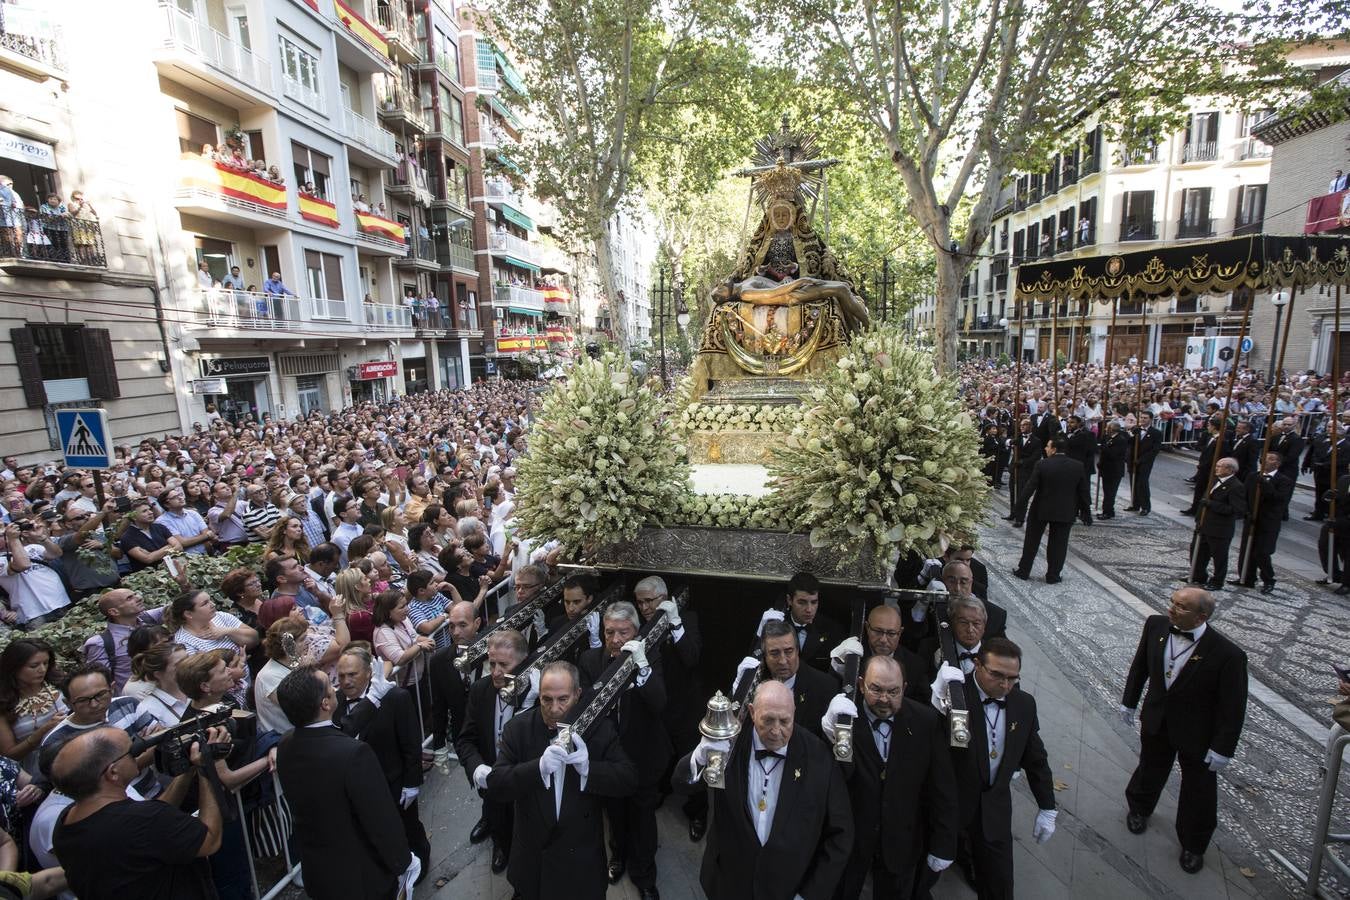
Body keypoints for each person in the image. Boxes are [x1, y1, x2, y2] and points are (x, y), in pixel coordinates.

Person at [675, 679, 854, 899]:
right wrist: (701, 755)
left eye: (785, 721)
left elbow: (841, 834)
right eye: (768, 720)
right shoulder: (730, 744)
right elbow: (681, 785)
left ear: (794, 712)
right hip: (728, 883)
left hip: (788, 889)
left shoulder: (818, 757)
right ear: (752, 711)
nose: (776, 731)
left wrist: (810, 895)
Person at [1119, 588, 1248, 874]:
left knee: (1198, 788)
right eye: (1172, 602)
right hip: (1157, 719)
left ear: (1201, 616)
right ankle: (1139, 808)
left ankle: (1194, 843)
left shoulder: (1229, 655)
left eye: (1181, 607)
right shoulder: (1155, 626)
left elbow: (1233, 707)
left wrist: (1223, 748)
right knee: (1150, 767)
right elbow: (1139, 666)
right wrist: (1129, 702)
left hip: (1197, 733)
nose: (1172, 609)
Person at [486, 660, 637, 900]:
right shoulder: (519, 729)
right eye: (546, 699)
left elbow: (628, 779)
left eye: (562, 699)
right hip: (533, 862)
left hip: (581, 864)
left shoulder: (600, 730)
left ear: (578, 694)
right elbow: (496, 784)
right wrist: (538, 768)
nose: (554, 708)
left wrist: (589, 769)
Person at [275, 665, 418, 899]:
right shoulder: (354, 754)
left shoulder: (286, 744)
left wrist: (372, 699)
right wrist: (404, 861)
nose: (336, 687)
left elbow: (335, 732)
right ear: (325, 704)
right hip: (363, 876)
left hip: (319, 874)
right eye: (330, 687)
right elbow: (380, 818)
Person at [823, 654, 958, 900]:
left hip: (902, 842)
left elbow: (942, 788)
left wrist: (943, 844)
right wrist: (829, 734)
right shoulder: (844, 721)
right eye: (876, 689)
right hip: (852, 842)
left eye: (893, 691)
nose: (884, 699)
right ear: (862, 685)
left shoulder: (925, 722)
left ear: (904, 688)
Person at [930, 637, 1057, 898]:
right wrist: (936, 707)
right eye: (997, 675)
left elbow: (1036, 758)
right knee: (919, 879)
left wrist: (1047, 806)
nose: (1005, 685)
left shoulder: (1024, 704)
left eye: (1012, 678)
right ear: (977, 664)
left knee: (999, 886)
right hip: (949, 808)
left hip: (994, 809)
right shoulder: (954, 696)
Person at [50, 725, 224, 899]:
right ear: (113, 772)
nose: (140, 753)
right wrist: (206, 767)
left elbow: (154, 827)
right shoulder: (144, 820)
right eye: (131, 752)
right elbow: (210, 839)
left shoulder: (67, 821)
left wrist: (186, 770)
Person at [577, 602, 669, 897]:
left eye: (623, 632)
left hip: (643, 754)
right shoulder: (590, 661)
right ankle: (617, 857)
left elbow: (659, 703)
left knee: (643, 818)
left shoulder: (650, 656)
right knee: (614, 814)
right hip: (607, 757)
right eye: (609, 632)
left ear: (636, 632)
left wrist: (642, 672)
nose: (616, 639)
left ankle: (644, 875)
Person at [333, 646, 430, 879]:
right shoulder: (334, 702)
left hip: (393, 783)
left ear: (368, 673)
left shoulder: (395, 697)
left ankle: (420, 862)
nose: (346, 681)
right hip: (359, 789)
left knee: (408, 828)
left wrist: (412, 783)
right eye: (341, 676)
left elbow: (410, 744)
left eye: (352, 674)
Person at [633, 576, 707, 841]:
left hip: (686, 706)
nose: (644, 608)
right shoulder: (640, 626)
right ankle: (662, 790)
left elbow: (691, 657)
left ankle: (698, 811)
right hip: (658, 706)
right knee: (660, 755)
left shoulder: (688, 618)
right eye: (639, 602)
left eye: (648, 601)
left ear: (663, 598)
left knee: (692, 760)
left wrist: (675, 624)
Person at [455, 628, 533, 873]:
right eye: (492, 664)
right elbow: (465, 739)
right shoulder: (480, 690)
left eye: (504, 665)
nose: (497, 672)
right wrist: (477, 768)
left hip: (525, 785)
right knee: (499, 819)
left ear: (524, 662)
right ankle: (500, 845)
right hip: (492, 781)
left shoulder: (539, 695)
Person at [736, 619, 839, 740]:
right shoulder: (752, 682)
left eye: (789, 651)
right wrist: (738, 689)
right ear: (765, 656)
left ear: (797, 651)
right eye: (775, 653)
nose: (783, 661)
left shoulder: (825, 686)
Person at [1012, 434, 1090, 584]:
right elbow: (1083, 491)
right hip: (1065, 510)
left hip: (1040, 509)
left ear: (1053, 449)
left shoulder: (1042, 464)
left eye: (1048, 446)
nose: (1046, 449)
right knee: (1059, 544)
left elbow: (1030, 487)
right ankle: (1053, 575)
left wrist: (1019, 505)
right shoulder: (1077, 466)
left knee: (1031, 542)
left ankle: (1024, 570)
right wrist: (1086, 511)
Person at [0, 640, 68, 776]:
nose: (42, 669)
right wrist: (42, 731)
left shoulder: (59, 683)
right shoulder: (4, 703)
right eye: (34, 666)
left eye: (46, 663)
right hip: (37, 770)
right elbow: (9, 755)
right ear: (14, 667)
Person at [754, 572, 841, 673]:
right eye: (802, 602)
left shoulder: (832, 630)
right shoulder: (776, 625)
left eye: (814, 602)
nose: (809, 609)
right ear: (789, 600)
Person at [80, 589, 163, 693]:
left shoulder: (147, 618)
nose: (139, 598)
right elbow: (99, 682)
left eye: (135, 594)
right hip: (137, 697)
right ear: (114, 611)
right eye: (129, 598)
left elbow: (181, 607)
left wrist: (184, 585)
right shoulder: (100, 643)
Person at [1237, 451, 1294, 593]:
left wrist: (1265, 484)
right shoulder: (1252, 476)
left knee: (1262, 552)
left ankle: (1268, 579)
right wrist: (1246, 512)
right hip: (1251, 520)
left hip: (1268, 523)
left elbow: (1279, 499)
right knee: (1246, 550)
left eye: (1270, 459)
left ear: (1277, 463)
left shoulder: (1284, 481)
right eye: (1265, 457)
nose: (1265, 460)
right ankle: (1246, 577)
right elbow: (1244, 495)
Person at [1188, 457, 1246, 590]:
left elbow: (1236, 510)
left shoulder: (1236, 486)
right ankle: (1198, 575)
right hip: (1204, 525)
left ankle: (1217, 581)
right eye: (1217, 465)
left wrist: (1212, 504)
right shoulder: (1214, 480)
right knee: (1197, 552)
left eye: (1220, 466)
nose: (1216, 468)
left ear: (1230, 469)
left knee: (1219, 557)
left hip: (1219, 528)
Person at [1005, 418, 1042, 526]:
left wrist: (1023, 462)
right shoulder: (1018, 437)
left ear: (1030, 426)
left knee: (1022, 494)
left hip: (1025, 471)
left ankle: (1020, 518)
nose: (1022, 427)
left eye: (1025, 425)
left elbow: (1036, 456)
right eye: (1021, 425)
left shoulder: (1036, 441)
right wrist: (1010, 442)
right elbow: (1007, 442)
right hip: (1015, 469)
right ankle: (1013, 513)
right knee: (1013, 492)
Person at [1125, 410, 1161, 515]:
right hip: (1133, 461)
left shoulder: (1156, 433)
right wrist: (1132, 435)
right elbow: (1129, 443)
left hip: (1145, 462)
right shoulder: (1136, 429)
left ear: (1150, 419)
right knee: (1133, 482)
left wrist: (1141, 460)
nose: (1143, 420)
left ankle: (1145, 507)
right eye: (1141, 417)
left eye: (1145, 418)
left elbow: (1155, 450)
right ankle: (1135, 504)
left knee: (1142, 484)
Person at [1096, 420, 1129, 519]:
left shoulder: (1120, 440)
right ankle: (1107, 510)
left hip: (1114, 470)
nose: (1105, 429)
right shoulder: (1107, 438)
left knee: (1110, 492)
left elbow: (1113, 454)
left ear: (1112, 429)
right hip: (1106, 469)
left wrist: (1105, 446)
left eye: (1107, 427)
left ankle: (1108, 511)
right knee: (1106, 491)